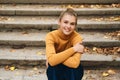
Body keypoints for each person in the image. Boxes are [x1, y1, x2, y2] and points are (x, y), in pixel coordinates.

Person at [45, 7, 84, 80]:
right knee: (53, 67)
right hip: (56, 70)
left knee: (74, 69)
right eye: (65, 22)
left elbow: (74, 63)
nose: (68, 26)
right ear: (59, 22)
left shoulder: (77, 37)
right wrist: (74, 49)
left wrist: (55, 58)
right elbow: (52, 61)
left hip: (72, 70)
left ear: (75, 26)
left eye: (72, 24)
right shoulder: (51, 36)